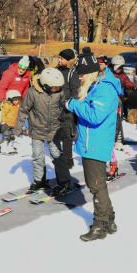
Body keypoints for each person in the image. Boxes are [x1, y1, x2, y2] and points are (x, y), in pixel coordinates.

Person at [64, 52, 122, 242]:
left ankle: (100, 224)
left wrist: (72, 104)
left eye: (81, 74)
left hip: (95, 144)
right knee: (98, 185)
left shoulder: (104, 90)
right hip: (91, 142)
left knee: (96, 185)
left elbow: (95, 116)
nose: (79, 77)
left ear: (90, 72)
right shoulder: (97, 85)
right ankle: (109, 219)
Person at [14, 67, 67, 192]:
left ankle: (64, 182)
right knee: (38, 156)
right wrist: (17, 130)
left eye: (59, 87)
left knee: (57, 156)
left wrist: (65, 121)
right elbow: (23, 110)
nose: (58, 90)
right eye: (55, 88)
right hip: (37, 129)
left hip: (54, 130)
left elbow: (64, 108)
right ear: (45, 85)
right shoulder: (33, 92)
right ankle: (39, 181)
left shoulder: (59, 92)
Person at [55, 48, 80, 177]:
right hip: (55, 107)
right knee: (55, 134)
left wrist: (69, 105)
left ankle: (68, 159)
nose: (59, 60)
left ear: (69, 60)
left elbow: (75, 91)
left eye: (62, 58)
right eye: (59, 58)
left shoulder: (72, 73)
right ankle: (58, 157)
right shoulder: (56, 71)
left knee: (66, 135)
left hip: (67, 109)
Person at [0, 90, 23, 154]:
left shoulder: (17, 105)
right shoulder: (7, 105)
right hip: (6, 124)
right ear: (10, 99)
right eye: (15, 100)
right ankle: (3, 147)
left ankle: (9, 146)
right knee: (6, 136)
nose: (17, 101)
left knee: (12, 137)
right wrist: (3, 122)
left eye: (18, 99)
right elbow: (3, 114)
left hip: (14, 125)